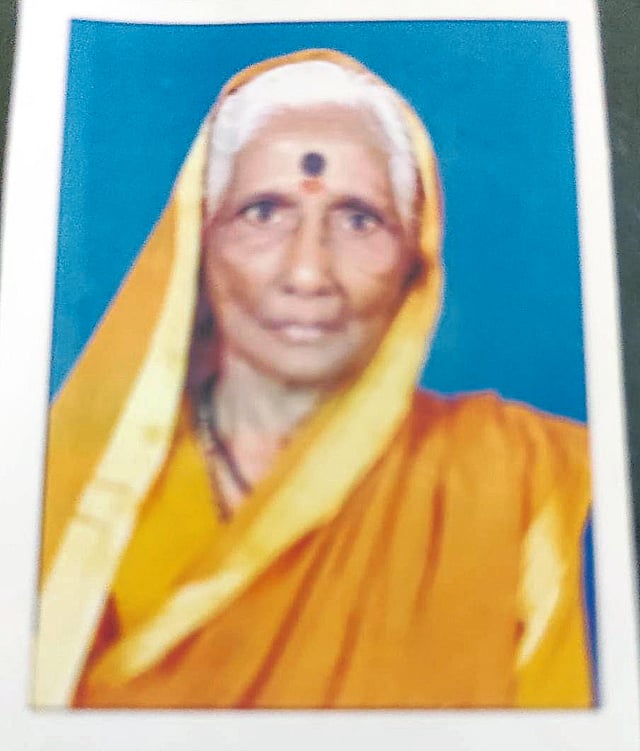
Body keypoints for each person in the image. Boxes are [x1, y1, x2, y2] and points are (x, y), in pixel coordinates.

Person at [34, 49, 593, 709]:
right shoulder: (69, 478)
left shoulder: (520, 478)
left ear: (415, 258)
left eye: (359, 220)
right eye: (263, 213)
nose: (306, 274)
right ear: (198, 241)